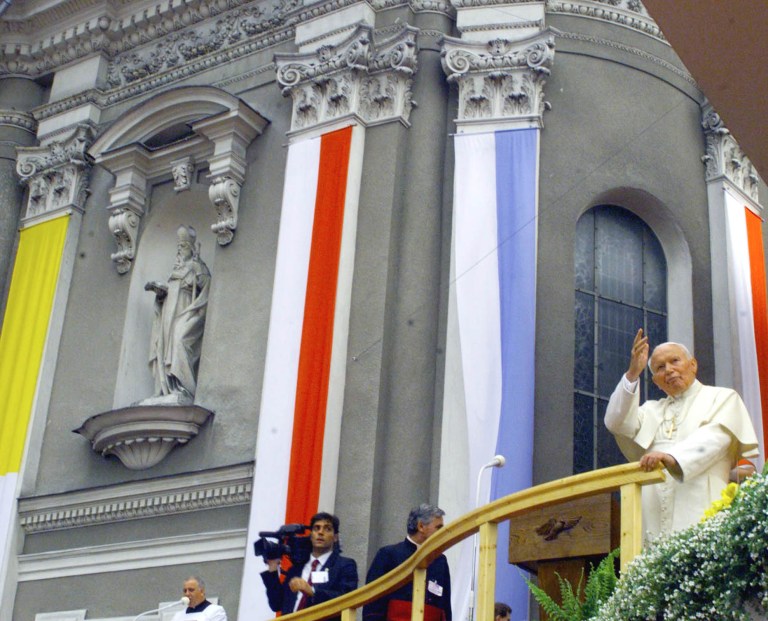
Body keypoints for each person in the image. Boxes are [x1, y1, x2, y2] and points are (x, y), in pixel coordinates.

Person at [605, 328, 760, 540]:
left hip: (701, 500)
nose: (668, 370)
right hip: (653, 508)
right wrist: (633, 373)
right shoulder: (649, 411)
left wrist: (671, 457)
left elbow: (715, 439)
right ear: (656, 382)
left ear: (693, 365)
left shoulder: (722, 398)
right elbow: (616, 422)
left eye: (674, 361)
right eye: (660, 367)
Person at [145, 225, 211, 404]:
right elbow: (169, 293)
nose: (180, 250)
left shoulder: (197, 266)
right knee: (165, 346)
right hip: (169, 315)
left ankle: (183, 387)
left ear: (191, 248)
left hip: (186, 311)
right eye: (178, 247)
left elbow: (205, 287)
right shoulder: (175, 270)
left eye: (183, 247)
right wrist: (160, 294)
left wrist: (198, 273)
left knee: (180, 341)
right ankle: (166, 388)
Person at [363, 504, 451, 621]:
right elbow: (373, 602)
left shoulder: (440, 561)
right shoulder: (388, 555)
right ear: (421, 526)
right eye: (438, 528)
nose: (442, 532)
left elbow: (445, 608)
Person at [260, 512, 358, 614]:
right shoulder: (296, 570)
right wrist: (272, 566)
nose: (321, 532)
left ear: (335, 537)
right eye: (316, 528)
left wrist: (312, 592)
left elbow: (348, 598)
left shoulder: (344, 565)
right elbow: (276, 604)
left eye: (327, 529)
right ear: (311, 535)